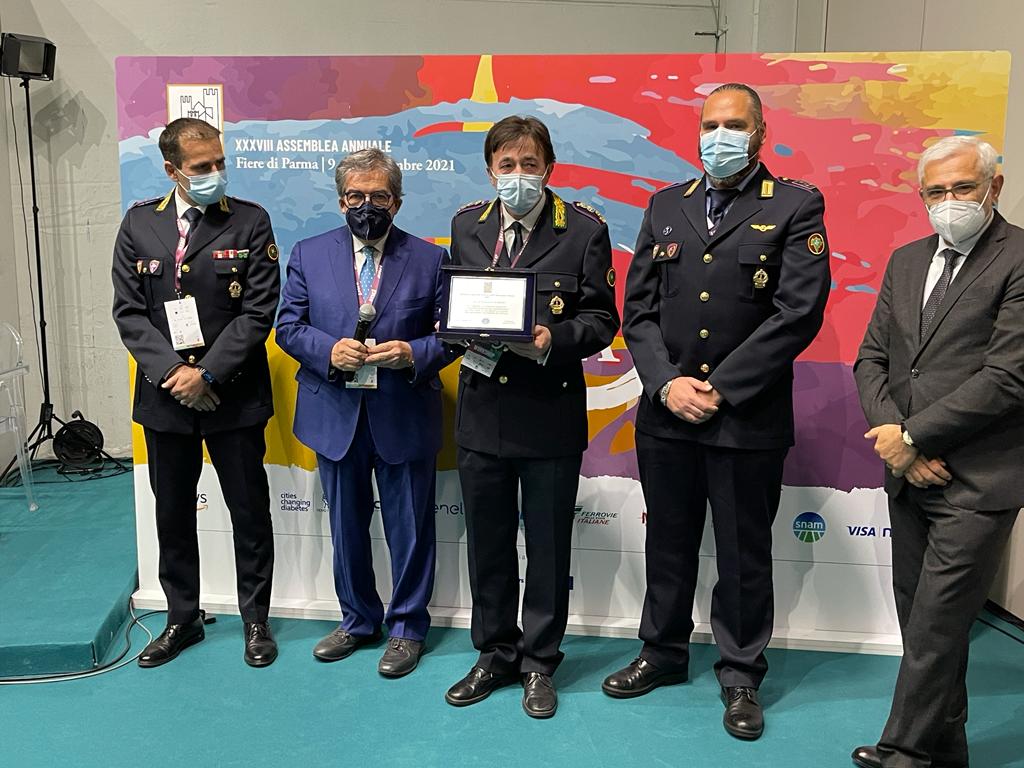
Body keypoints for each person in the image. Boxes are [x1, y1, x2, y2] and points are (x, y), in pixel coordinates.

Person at [607, 83, 831, 740]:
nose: (719, 137)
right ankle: (661, 652)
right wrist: (665, 384)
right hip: (666, 414)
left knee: (742, 552)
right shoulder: (665, 204)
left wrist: (721, 388)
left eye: (734, 125)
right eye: (710, 125)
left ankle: (739, 673)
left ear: (760, 133)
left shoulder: (794, 204)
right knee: (667, 542)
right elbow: (638, 310)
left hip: (747, 417)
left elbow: (798, 312)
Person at [851, 136, 1024, 768]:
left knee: (937, 624)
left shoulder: (1019, 258)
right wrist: (898, 440)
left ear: (993, 188)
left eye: (963, 187)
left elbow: (1008, 376)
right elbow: (872, 359)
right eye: (936, 191)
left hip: (978, 479)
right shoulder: (906, 261)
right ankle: (947, 749)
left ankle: (905, 751)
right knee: (918, 617)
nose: (949, 201)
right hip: (908, 474)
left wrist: (914, 437)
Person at [444, 116, 619, 718]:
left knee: (547, 550)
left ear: (548, 168)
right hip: (482, 413)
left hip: (549, 413)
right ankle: (494, 653)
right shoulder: (467, 225)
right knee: (488, 546)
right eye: (506, 165)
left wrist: (552, 339)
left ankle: (540, 662)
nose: (517, 175)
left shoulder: (584, 230)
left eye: (529, 164)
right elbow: (454, 299)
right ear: (489, 170)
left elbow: (602, 319)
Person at [111, 117, 280, 667]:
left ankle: (256, 619)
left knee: (249, 512)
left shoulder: (250, 221)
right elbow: (129, 313)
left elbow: (258, 312)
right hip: (166, 399)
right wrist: (174, 375)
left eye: (219, 163)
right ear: (172, 170)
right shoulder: (139, 223)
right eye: (202, 167)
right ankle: (182, 618)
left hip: (233, 393)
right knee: (173, 514)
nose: (215, 174)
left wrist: (206, 374)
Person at [275, 149, 448, 678]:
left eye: (378, 196)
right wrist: (328, 351)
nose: (366, 205)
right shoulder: (308, 254)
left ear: (397, 201)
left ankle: (407, 628)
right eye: (356, 196)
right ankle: (357, 620)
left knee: (410, 529)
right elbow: (288, 327)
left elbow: (452, 335)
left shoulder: (430, 259)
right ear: (340, 200)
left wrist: (412, 353)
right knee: (346, 528)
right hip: (335, 414)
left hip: (404, 412)